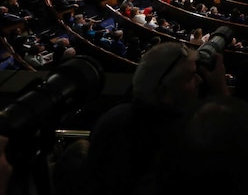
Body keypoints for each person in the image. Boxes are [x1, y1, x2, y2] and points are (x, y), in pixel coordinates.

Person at [87, 42, 228, 195]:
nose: (199, 80)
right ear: (165, 91)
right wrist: (222, 94)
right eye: (190, 77)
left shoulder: (113, 117)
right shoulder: (181, 140)